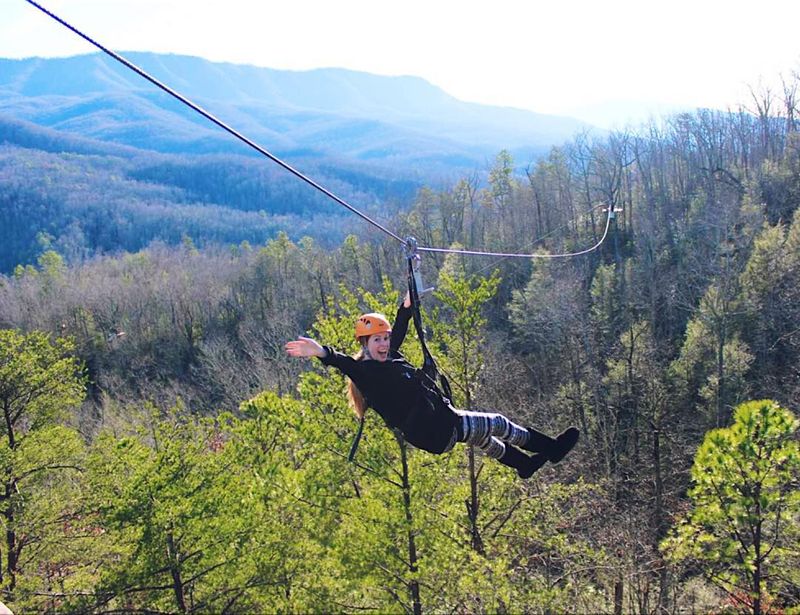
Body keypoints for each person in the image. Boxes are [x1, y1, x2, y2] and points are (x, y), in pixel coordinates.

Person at [285, 293, 579, 478]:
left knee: (484, 440)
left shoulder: (388, 358)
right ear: (364, 343)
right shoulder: (366, 372)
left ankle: (523, 466)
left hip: (436, 428)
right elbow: (341, 362)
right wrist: (320, 351)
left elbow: (398, 333)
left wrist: (406, 307)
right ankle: (551, 449)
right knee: (498, 424)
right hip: (436, 429)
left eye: (385, 339)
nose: (385, 344)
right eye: (377, 340)